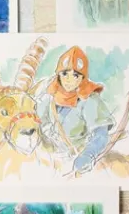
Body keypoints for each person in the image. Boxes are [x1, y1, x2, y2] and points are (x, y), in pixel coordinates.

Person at [36, 46, 115, 175]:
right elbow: (35, 121)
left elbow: (101, 135)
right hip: (49, 157)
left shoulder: (89, 100)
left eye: (75, 75)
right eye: (65, 74)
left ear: (82, 77)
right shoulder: (49, 96)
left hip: (75, 157)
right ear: (58, 75)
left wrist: (87, 155)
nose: (69, 80)